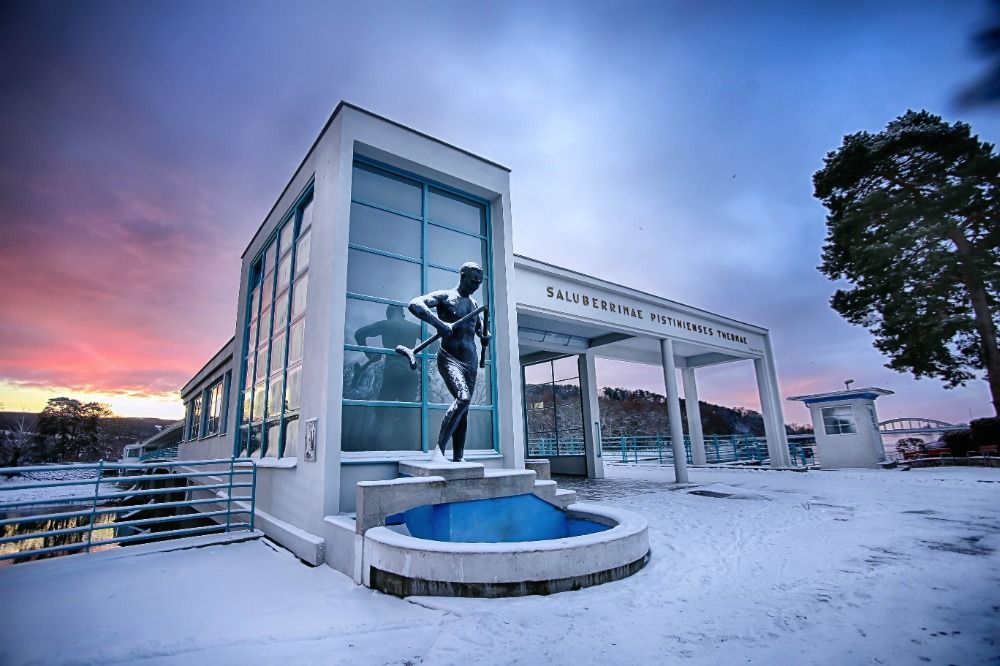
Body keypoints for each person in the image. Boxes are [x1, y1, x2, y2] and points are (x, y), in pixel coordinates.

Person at [408, 262, 490, 462]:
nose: (476, 286)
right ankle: (439, 452)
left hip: (470, 361)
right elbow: (414, 304)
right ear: (462, 276)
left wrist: (485, 335)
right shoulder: (445, 297)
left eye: (479, 283)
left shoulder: (474, 304)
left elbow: (478, 329)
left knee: (464, 409)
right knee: (463, 398)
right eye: (473, 281)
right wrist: (439, 324)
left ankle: (458, 457)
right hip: (449, 358)